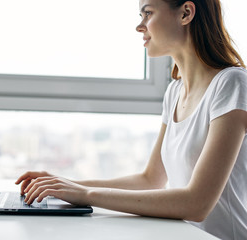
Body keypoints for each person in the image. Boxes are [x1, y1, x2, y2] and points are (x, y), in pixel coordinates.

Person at [15, 0, 247, 239]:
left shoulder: (231, 84)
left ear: (186, 13)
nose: (140, 26)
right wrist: (66, 185)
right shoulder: (174, 92)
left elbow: (196, 203)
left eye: (148, 13)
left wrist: (86, 194)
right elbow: (150, 180)